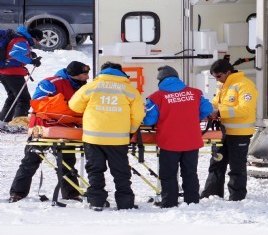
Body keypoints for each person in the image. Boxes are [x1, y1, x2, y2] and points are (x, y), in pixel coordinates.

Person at [8, 61, 90, 202]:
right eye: (84, 74)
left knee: (68, 162)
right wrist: (67, 109)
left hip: (66, 129)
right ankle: (17, 193)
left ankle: (71, 194)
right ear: (74, 75)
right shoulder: (50, 83)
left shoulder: (82, 86)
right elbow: (38, 102)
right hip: (42, 127)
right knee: (31, 160)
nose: (87, 77)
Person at [68, 62, 145, 211]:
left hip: (93, 137)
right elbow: (138, 114)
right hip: (118, 139)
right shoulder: (129, 89)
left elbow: (74, 105)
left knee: (95, 170)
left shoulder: (91, 87)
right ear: (120, 73)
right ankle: (125, 203)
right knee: (121, 172)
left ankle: (96, 202)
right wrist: (131, 130)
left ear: (102, 72)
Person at [143, 66, 213, 208]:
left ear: (160, 80)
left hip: (169, 142)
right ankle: (192, 201)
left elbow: (150, 120)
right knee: (190, 173)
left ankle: (169, 202)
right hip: (192, 141)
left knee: (168, 174)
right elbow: (208, 109)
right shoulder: (195, 93)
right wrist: (194, 118)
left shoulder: (156, 97)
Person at [201, 59, 257, 201]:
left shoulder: (244, 85)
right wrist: (207, 109)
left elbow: (245, 109)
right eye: (214, 77)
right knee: (216, 163)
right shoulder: (223, 86)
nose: (217, 80)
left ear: (227, 72)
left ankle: (236, 197)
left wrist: (219, 112)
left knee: (237, 167)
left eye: (218, 76)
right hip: (222, 133)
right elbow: (216, 104)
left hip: (239, 134)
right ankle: (211, 194)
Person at [0, 26, 43, 125]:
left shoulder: (18, 38)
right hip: (12, 73)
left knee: (13, 96)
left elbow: (11, 53)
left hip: (4, 72)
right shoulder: (22, 41)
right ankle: (19, 124)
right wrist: (31, 61)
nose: (37, 43)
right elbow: (14, 54)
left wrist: (30, 54)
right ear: (33, 37)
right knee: (24, 99)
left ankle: (3, 120)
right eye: (37, 40)